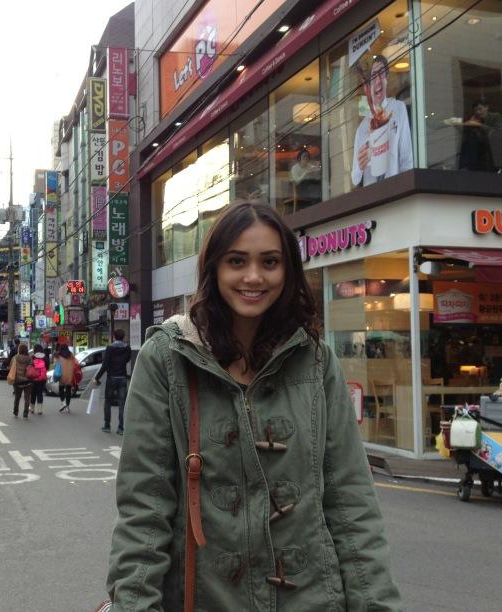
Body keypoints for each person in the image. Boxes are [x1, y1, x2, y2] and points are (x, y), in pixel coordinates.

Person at [106, 201, 401, 610]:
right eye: (237, 261)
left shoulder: (315, 360)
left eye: (270, 262)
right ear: (213, 267)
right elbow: (145, 509)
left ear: (288, 270)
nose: (253, 276)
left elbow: (351, 501)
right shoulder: (167, 359)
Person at [352, 54, 413, 187]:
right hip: (372, 193)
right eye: (374, 75)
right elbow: (355, 178)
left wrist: (406, 187)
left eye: (382, 74)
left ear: (387, 79)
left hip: (396, 188)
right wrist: (361, 165)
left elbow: (406, 158)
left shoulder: (398, 108)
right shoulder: (363, 128)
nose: (378, 80)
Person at [93, 329, 131, 435]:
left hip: (112, 378)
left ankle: (107, 426)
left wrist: (97, 378)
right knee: (122, 403)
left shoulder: (110, 348)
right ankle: (121, 428)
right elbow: (127, 359)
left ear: (114, 336)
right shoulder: (127, 348)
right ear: (123, 337)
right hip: (122, 378)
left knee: (108, 401)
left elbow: (105, 365)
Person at [10, 343, 33, 419]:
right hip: (28, 381)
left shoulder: (15, 358)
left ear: (19, 349)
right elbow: (32, 368)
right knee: (27, 398)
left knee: (17, 397)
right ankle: (25, 413)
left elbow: (11, 367)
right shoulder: (29, 358)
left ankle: (15, 411)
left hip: (17, 381)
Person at [55, 344, 77, 413]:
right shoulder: (71, 355)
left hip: (61, 374)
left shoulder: (58, 355)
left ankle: (63, 402)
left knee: (61, 389)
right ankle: (67, 406)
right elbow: (76, 362)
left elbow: (55, 364)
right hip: (69, 375)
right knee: (68, 391)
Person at [29, 344, 49, 416]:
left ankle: (32, 408)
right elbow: (47, 367)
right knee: (40, 393)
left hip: (34, 378)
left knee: (33, 393)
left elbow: (30, 366)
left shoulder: (33, 357)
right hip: (42, 378)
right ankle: (40, 410)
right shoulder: (45, 357)